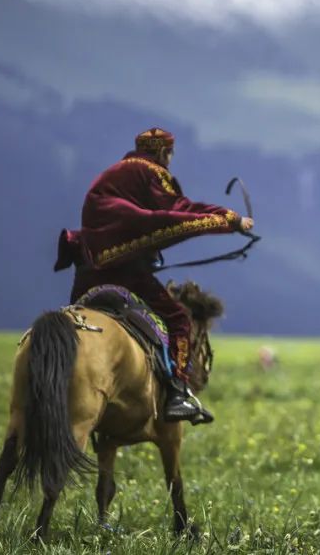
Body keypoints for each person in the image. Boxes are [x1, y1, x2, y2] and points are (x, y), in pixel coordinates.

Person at [54, 127, 254, 423]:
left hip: (87, 272)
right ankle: (177, 393)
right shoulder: (152, 173)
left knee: (75, 318)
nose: (170, 161)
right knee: (177, 320)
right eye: (169, 155)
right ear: (162, 152)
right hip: (125, 273)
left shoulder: (112, 174)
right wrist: (232, 220)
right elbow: (179, 210)